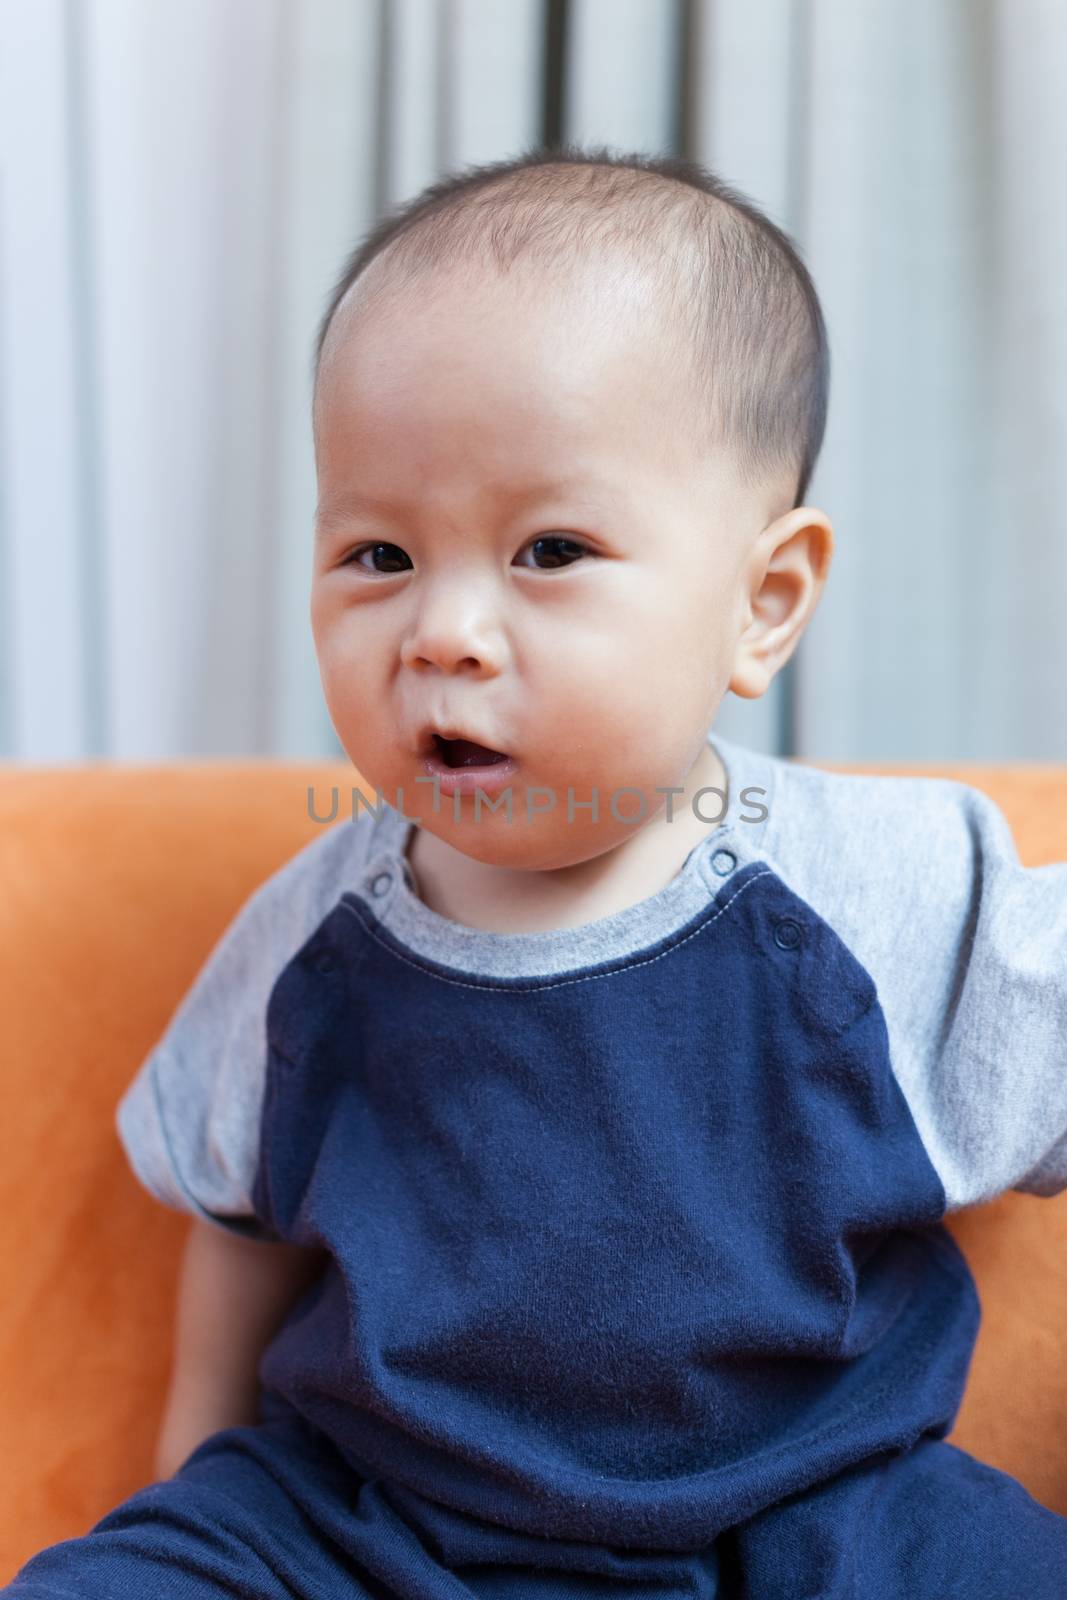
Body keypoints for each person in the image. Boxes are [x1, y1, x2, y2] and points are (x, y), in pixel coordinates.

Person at [8, 143, 1067, 1599]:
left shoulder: (881, 883)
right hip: (364, 1520)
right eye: (378, 553)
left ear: (762, 606)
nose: (442, 630)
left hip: (807, 1513)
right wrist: (190, 1480)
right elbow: (235, 1213)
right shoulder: (315, 932)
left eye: (549, 549)